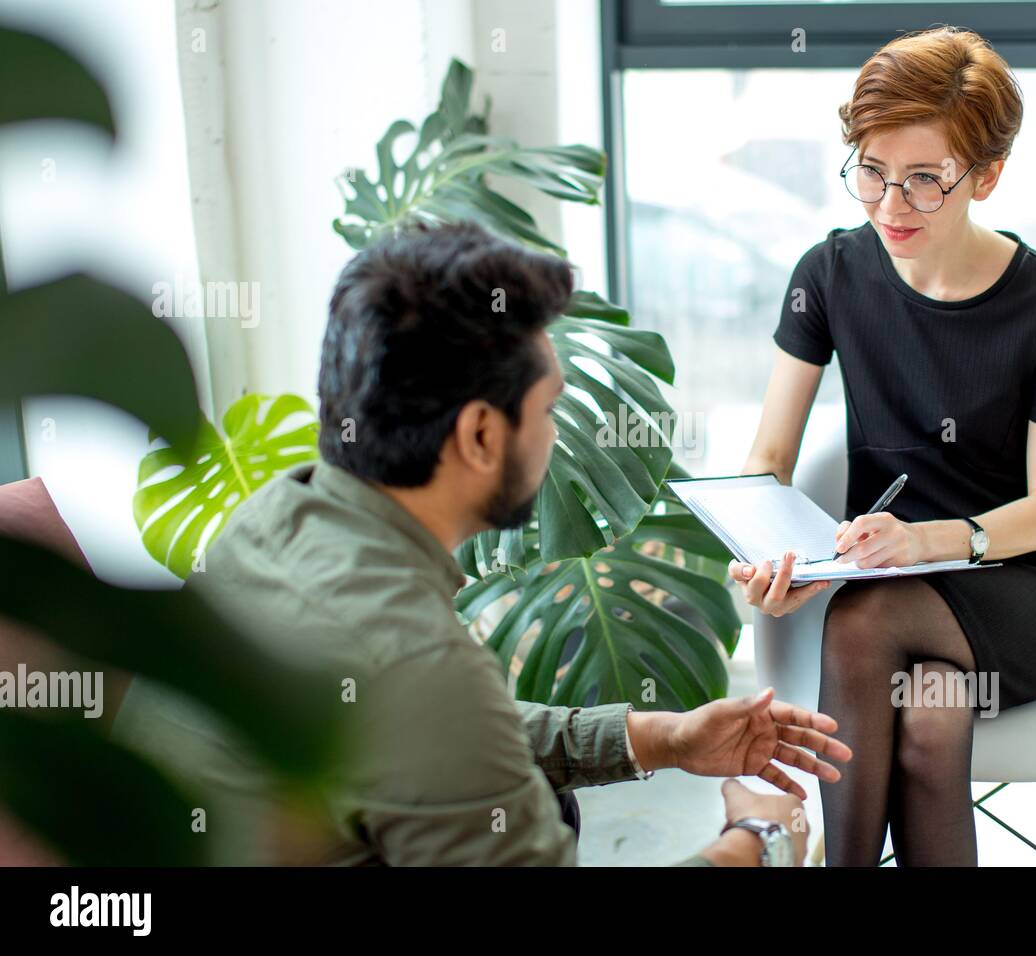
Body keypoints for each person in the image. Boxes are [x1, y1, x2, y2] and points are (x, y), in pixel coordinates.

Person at [111, 217, 853, 866]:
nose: (558, 432)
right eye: (549, 408)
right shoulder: (418, 660)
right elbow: (433, 709)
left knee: (546, 806)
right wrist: (757, 840)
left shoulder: (275, 516)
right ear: (479, 434)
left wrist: (664, 737)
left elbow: (430, 736)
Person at [728, 25, 1036, 867]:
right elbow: (770, 458)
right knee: (933, 719)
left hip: (1033, 579)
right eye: (871, 171)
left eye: (924, 182)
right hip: (898, 575)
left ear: (986, 176)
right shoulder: (828, 275)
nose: (889, 206)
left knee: (864, 620)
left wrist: (926, 543)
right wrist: (770, 553)